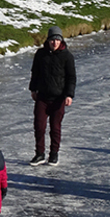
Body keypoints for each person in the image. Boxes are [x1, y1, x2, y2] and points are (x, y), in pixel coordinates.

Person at [28, 26, 76, 166]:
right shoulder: (40, 54)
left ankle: (54, 154)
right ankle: (39, 154)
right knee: (39, 126)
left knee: (55, 128)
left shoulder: (67, 56)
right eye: (52, 40)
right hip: (42, 97)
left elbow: (71, 77)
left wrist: (69, 95)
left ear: (61, 41)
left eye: (57, 40)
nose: (54, 42)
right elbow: (35, 72)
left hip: (58, 98)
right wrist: (33, 89)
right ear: (48, 40)